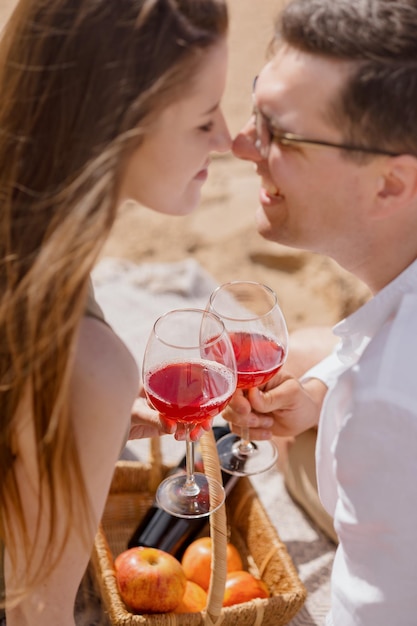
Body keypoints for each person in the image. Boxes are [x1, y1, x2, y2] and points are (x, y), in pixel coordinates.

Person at [0, 0, 231, 623]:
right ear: (116, 125)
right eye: (205, 119)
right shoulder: (84, 361)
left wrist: (71, 430)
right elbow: (33, 612)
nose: (229, 140)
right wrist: (83, 409)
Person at [223, 0, 417, 624]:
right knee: (308, 355)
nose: (242, 144)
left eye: (280, 132)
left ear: (391, 184)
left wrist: (350, 404)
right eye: (256, 110)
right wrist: (321, 391)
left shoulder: (386, 405)